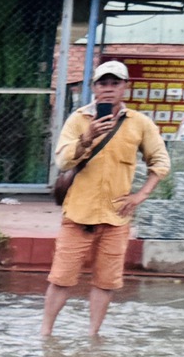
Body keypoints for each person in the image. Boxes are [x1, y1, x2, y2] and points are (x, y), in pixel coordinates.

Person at [42, 60, 170, 341]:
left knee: (106, 281)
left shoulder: (140, 124)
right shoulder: (78, 119)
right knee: (61, 278)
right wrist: (87, 138)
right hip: (78, 214)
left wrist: (140, 195)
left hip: (116, 216)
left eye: (115, 83)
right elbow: (62, 161)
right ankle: (46, 334)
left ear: (126, 87)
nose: (108, 89)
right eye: (103, 83)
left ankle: (92, 336)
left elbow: (160, 162)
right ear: (93, 87)